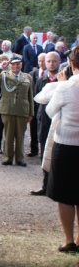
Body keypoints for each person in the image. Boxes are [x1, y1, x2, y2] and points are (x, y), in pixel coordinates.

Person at [45, 47, 79, 253]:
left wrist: (60, 83)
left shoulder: (65, 87)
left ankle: (69, 239)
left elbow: (50, 111)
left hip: (66, 145)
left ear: (72, 64)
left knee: (65, 195)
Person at [0, 56, 34, 167]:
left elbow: (30, 96)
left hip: (22, 110)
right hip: (7, 109)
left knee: (20, 135)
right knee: (8, 135)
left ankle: (19, 158)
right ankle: (8, 158)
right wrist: (0, 67)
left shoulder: (27, 77)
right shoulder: (4, 76)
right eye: (13, 64)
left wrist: (31, 112)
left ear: (21, 65)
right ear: (10, 65)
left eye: (18, 64)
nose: (16, 66)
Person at [30, 51, 60, 196]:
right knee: (44, 154)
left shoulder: (65, 80)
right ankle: (46, 184)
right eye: (49, 61)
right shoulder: (41, 80)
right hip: (44, 121)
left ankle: (58, 186)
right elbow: (36, 100)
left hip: (60, 122)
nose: (51, 63)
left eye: (54, 61)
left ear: (59, 62)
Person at [27, 53, 46, 157]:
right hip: (34, 105)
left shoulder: (50, 75)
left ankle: (44, 151)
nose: (41, 63)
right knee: (33, 128)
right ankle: (34, 149)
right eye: (39, 61)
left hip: (45, 106)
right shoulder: (32, 74)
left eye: (43, 61)